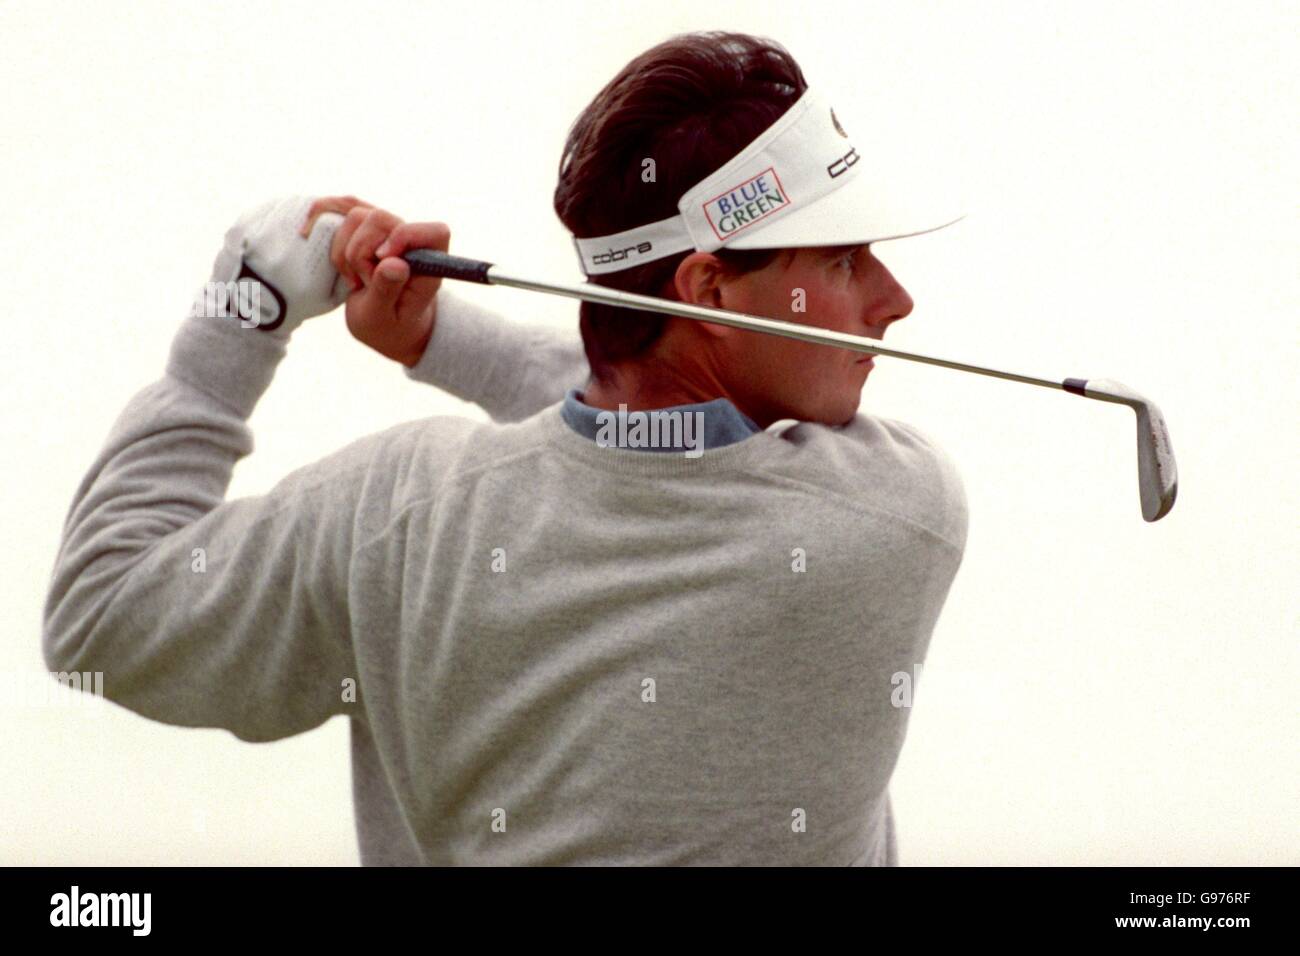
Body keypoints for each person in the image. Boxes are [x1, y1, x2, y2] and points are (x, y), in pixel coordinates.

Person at [43, 30, 968, 865]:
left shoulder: (399, 516)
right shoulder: (893, 510)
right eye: (844, 262)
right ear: (709, 293)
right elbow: (662, 431)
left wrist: (242, 318)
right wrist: (443, 341)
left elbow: (101, 611)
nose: (893, 300)